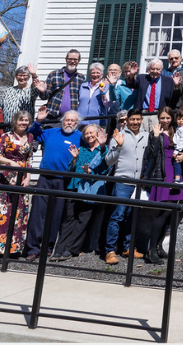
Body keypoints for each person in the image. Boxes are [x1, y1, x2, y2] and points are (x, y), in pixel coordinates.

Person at [25, 108, 85, 260]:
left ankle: (47, 246)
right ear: (62, 121)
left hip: (63, 180)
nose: (69, 122)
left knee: (55, 215)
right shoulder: (52, 132)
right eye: (67, 120)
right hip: (44, 177)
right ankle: (33, 248)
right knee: (38, 213)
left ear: (77, 123)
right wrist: (38, 120)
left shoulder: (80, 137)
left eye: (72, 120)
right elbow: (32, 133)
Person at [103, 108, 150, 264]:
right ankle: (110, 250)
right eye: (132, 119)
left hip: (138, 183)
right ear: (127, 120)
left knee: (131, 216)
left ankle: (127, 247)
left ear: (141, 120)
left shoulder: (146, 136)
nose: (135, 122)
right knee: (117, 216)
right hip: (122, 182)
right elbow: (109, 161)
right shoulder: (118, 136)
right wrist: (119, 146)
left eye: (138, 119)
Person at [0, 109, 34, 259]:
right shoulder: (7, 136)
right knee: (0, 214)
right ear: (15, 121)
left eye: (26, 120)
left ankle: (13, 250)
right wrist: (11, 162)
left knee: (18, 216)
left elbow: (29, 159)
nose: (23, 123)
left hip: (22, 179)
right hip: (5, 178)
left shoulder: (30, 137)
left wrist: (28, 177)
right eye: (21, 120)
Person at [139, 107, 183, 261]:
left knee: (171, 212)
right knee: (162, 212)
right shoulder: (155, 132)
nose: (165, 120)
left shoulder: (176, 132)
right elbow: (151, 154)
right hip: (162, 175)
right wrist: (155, 137)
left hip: (175, 173)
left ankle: (159, 246)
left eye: (168, 118)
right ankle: (151, 249)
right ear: (158, 118)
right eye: (162, 118)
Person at [56, 123, 109, 260]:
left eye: (92, 133)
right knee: (69, 219)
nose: (89, 135)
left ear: (98, 134)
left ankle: (71, 249)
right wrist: (74, 159)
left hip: (90, 189)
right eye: (86, 133)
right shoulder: (82, 149)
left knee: (82, 220)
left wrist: (102, 146)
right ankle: (59, 249)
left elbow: (105, 167)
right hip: (75, 186)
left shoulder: (103, 150)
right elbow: (70, 170)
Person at [37, 49, 84, 126]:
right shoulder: (54, 74)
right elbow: (44, 97)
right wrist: (42, 91)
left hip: (70, 120)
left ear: (79, 60)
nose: (72, 61)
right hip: (52, 117)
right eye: (70, 59)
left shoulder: (81, 78)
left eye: (75, 59)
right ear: (66, 59)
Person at [135, 58, 176, 134]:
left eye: (158, 69)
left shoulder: (168, 81)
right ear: (148, 69)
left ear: (162, 70)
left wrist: (176, 86)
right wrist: (132, 75)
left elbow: (173, 98)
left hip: (159, 114)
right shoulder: (142, 78)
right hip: (143, 113)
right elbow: (132, 84)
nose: (155, 71)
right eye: (152, 69)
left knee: (157, 137)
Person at [77, 62, 115, 134]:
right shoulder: (82, 86)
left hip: (98, 123)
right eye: (93, 72)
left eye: (98, 73)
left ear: (102, 75)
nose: (95, 75)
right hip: (81, 122)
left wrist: (102, 92)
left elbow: (107, 104)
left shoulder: (106, 86)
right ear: (89, 74)